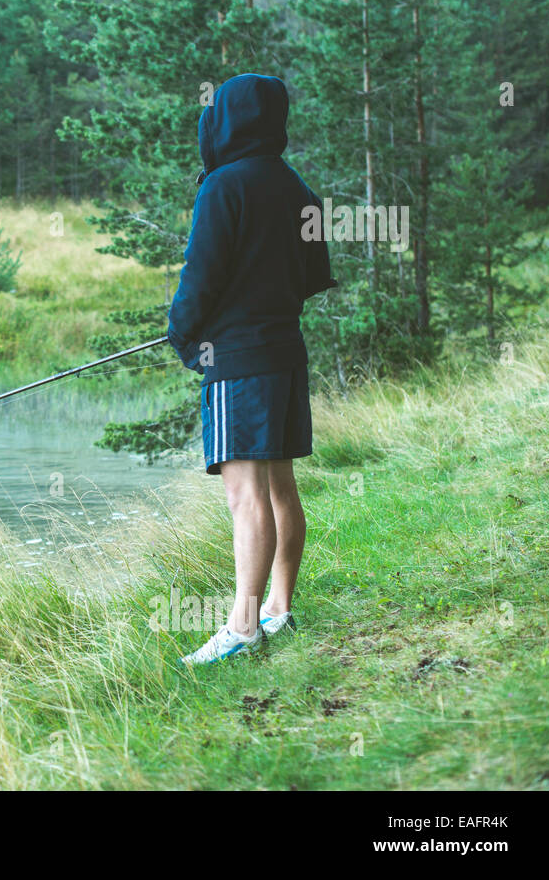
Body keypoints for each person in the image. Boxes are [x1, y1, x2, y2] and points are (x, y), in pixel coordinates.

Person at [166, 73, 337, 666]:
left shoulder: (222, 186)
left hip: (236, 360)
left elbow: (200, 276)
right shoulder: (297, 188)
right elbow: (314, 276)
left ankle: (243, 626)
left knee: (245, 496)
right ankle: (278, 609)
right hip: (285, 353)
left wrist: (184, 334)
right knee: (280, 487)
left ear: (228, 119)